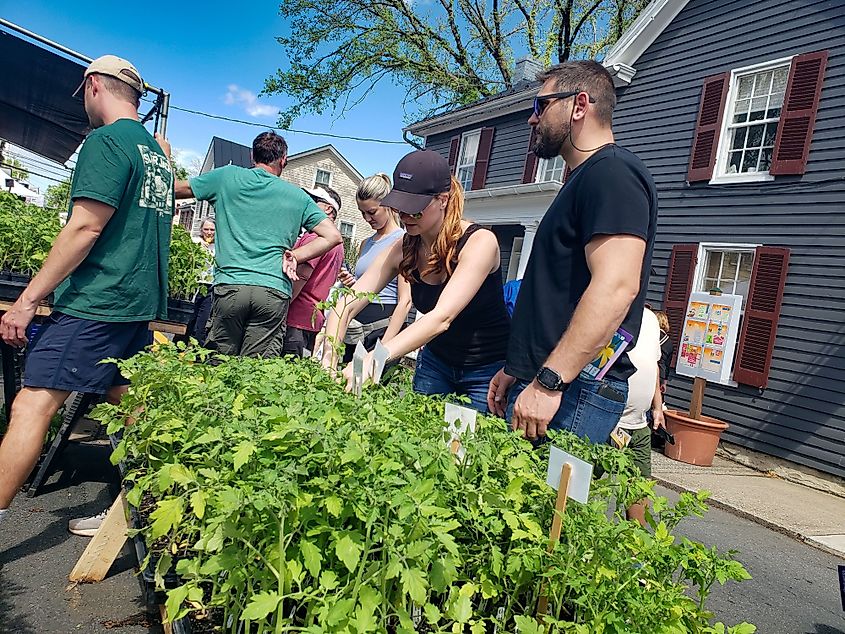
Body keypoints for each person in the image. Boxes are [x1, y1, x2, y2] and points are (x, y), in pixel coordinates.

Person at [0, 55, 173, 533]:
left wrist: (28, 298)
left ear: (93, 85)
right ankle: (149, 508)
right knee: (133, 400)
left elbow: (85, 227)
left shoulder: (107, 141)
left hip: (97, 300)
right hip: (135, 303)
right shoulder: (155, 154)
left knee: (31, 403)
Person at [487, 60, 658, 443]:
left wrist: (548, 382)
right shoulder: (585, 178)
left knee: (543, 505)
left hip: (570, 389)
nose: (532, 120)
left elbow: (616, 287)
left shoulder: (612, 174)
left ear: (579, 104)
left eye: (540, 106)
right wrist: (518, 368)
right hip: (552, 381)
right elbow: (558, 293)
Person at [321, 150, 510, 413]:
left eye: (415, 210)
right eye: (401, 207)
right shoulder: (404, 247)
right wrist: (330, 353)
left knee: (469, 448)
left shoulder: (479, 243)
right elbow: (349, 301)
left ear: (442, 200)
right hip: (437, 361)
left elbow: (441, 317)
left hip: (486, 369)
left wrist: (377, 357)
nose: (406, 216)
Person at [169, 132, 342, 357]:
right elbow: (332, 236)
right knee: (256, 371)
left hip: (231, 286)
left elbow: (174, 189)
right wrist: (296, 256)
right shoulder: (297, 196)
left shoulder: (227, 177)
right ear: (283, 159)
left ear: (253, 156)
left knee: (220, 363)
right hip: (272, 290)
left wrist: (164, 157)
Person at [336, 173, 411, 362]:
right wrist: (351, 283)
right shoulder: (365, 243)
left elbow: (405, 301)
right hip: (355, 331)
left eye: (372, 212)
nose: (367, 218)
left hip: (382, 328)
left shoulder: (403, 242)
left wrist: (385, 347)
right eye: (362, 213)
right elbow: (367, 284)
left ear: (388, 206)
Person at [613, 307, 665, 526]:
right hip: (611, 420)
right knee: (586, 480)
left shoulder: (652, 320)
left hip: (639, 422)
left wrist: (658, 406)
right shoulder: (616, 307)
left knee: (640, 485)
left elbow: (652, 365)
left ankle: (633, 547)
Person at [282, 186, 345, 357]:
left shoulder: (316, 238)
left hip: (295, 317)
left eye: (313, 201)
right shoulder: (339, 245)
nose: (306, 204)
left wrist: (281, 307)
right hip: (313, 320)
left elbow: (301, 275)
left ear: (328, 209)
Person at [174, 218, 216, 346]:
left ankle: (197, 349)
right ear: (201, 230)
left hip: (210, 285)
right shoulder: (195, 242)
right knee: (189, 318)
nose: (209, 232)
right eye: (206, 229)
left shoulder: (219, 246)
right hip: (194, 285)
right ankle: (179, 345)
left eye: (212, 230)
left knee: (203, 320)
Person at [655, 310, 673, 394]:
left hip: (651, 369)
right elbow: (667, 364)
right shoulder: (669, 342)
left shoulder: (651, 334)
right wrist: (664, 382)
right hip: (661, 374)